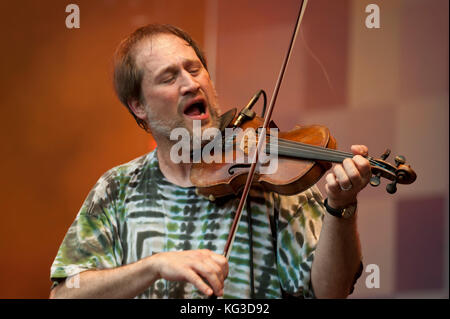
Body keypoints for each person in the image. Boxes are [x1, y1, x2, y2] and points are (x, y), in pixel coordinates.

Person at [49, 24, 371, 299]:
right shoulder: (117, 189)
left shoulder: (266, 171)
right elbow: (65, 293)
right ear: (139, 106)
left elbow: (332, 289)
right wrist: (155, 266)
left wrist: (341, 206)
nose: (190, 84)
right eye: (168, 77)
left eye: (194, 69)